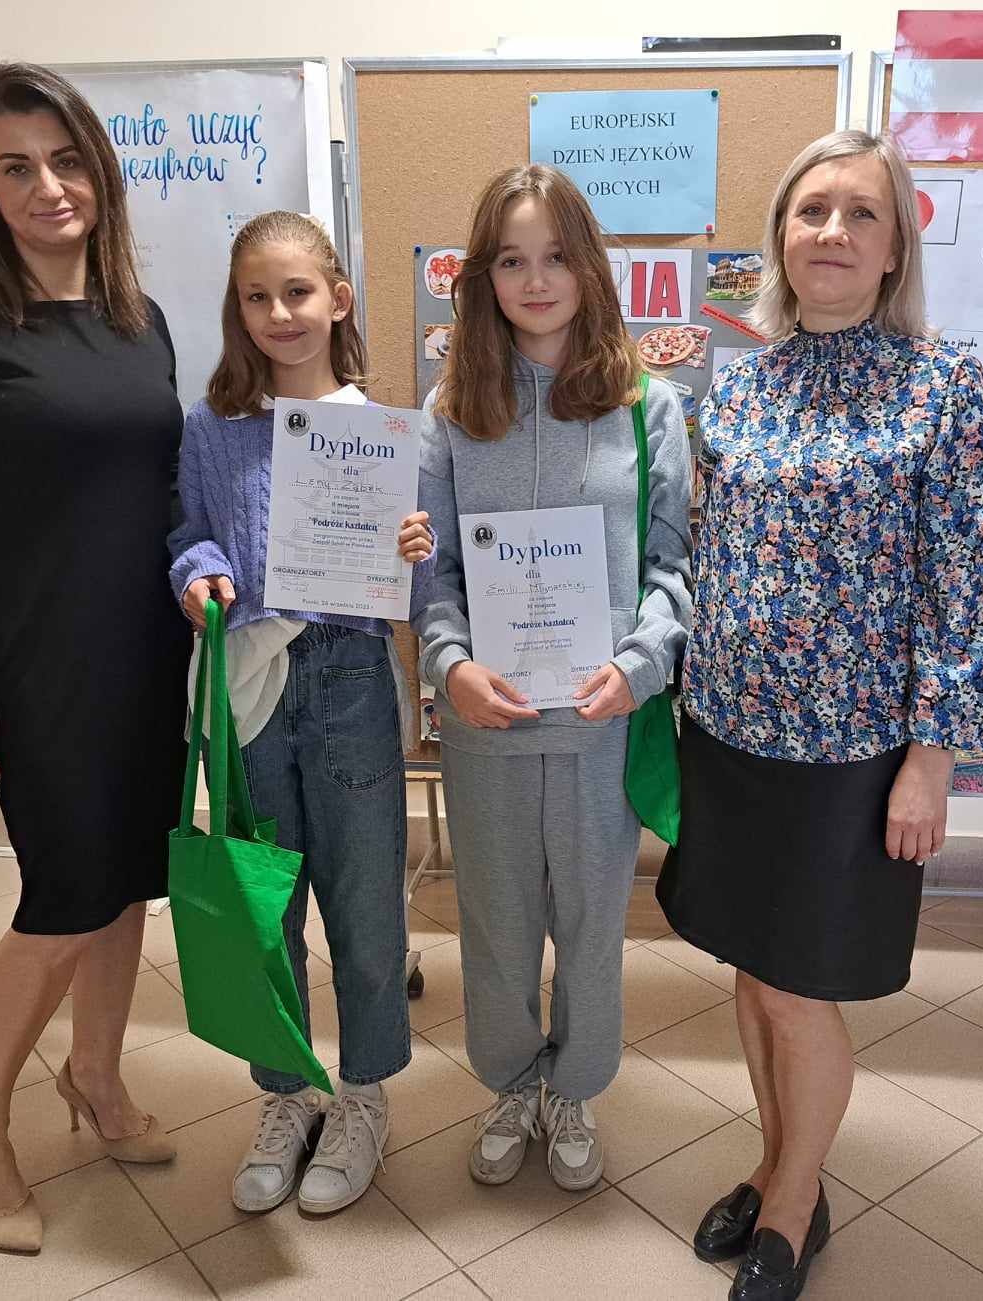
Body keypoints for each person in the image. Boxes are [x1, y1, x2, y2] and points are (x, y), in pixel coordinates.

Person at [655, 129, 983, 1301]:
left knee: (801, 989)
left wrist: (931, 759)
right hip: (728, 733)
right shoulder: (740, 382)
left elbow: (962, 582)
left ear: (896, 245)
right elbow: (708, 548)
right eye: (812, 211)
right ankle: (776, 1163)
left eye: (861, 213)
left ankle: (795, 1207)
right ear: (781, 238)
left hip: (852, 752)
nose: (834, 233)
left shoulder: (943, 383)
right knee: (755, 975)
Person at [0, 63, 188, 1254]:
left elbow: (168, 490)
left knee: (127, 882)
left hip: (149, 646)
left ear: (98, 170)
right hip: (34, 650)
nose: (48, 186)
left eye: (65, 160)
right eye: (15, 167)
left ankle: (96, 1076)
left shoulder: (140, 321)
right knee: (62, 896)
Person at [411, 164, 693, 1192]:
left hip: (598, 721)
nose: (536, 282)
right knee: (493, 925)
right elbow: (433, 570)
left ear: (590, 267)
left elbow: (672, 565)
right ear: (482, 278)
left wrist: (640, 662)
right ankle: (508, 1083)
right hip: (487, 723)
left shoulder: (647, 407)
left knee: (589, 927)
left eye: (557, 257)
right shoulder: (450, 409)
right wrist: (449, 664)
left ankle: (574, 1086)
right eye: (511, 261)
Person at [168, 211, 432, 1216]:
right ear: (237, 309)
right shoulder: (213, 425)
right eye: (257, 296)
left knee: (364, 908)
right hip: (253, 682)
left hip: (350, 677)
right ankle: (286, 1094)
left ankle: (362, 1094)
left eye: (297, 291)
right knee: (265, 905)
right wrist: (200, 576)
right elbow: (190, 536)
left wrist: (414, 552)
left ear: (338, 298)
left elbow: (419, 590)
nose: (279, 312)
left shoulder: (382, 432)